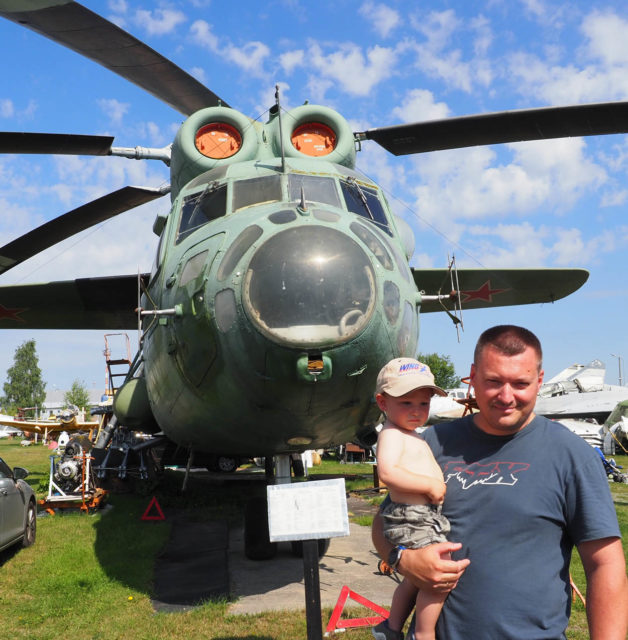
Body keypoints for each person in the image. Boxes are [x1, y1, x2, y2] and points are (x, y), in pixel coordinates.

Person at [372, 325, 628, 640]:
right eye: (494, 382)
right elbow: (383, 524)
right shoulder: (432, 443)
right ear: (474, 376)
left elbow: (605, 565)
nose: (506, 397)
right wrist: (403, 559)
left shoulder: (572, 456)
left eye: (520, 383)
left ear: (539, 380)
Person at [371, 358, 450, 640]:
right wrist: (429, 485)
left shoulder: (412, 434)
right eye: (406, 403)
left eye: (423, 404)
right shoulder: (391, 434)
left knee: (415, 579)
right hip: (412, 514)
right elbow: (388, 472)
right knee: (437, 579)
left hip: (421, 514)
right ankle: (423, 632)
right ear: (383, 403)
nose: (416, 411)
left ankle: (391, 628)